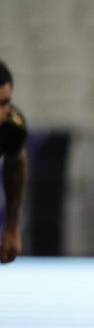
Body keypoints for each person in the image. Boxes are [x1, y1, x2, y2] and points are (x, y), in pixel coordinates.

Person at [0, 60, 28, 264]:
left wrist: (12, 226)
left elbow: (15, 167)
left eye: (4, 103)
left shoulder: (12, 127)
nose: (1, 114)